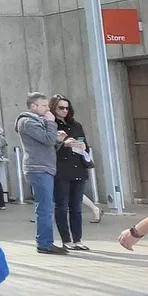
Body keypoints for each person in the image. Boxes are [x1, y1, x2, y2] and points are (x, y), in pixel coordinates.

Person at [16, 92, 63, 254]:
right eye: (43, 105)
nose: (47, 109)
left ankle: (45, 241)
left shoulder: (38, 121)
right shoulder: (27, 122)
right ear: (33, 106)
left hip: (44, 167)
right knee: (45, 207)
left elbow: (48, 144)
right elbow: (48, 140)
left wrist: (59, 140)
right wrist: (52, 124)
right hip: (38, 168)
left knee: (46, 206)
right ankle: (44, 242)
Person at [51, 95, 93, 251]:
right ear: (54, 108)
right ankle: (66, 239)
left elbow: (85, 145)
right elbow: (48, 147)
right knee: (61, 206)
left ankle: (78, 239)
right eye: (60, 108)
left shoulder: (75, 125)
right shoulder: (51, 124)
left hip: (78, 167)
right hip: (60, 169)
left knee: (76, 207)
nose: (64, 111)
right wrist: (63, 143)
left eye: (66, 108)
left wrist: (82, 146)